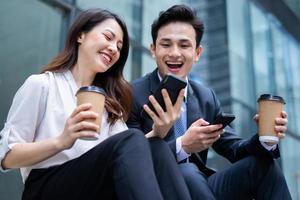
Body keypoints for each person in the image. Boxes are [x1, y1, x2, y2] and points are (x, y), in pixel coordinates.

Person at [0, 8, 192, 200]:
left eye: (119, 46)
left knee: (156, 147)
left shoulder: (108, 105)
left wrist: (159, 131)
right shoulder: (42, 85)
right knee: (133, 138)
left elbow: (131, 150)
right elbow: (7, 158)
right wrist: (62, 141)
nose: (114, 48)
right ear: (80, 35)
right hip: (46, 187)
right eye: (108, 37)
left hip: (90, 187)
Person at [127, 4, 292, 200]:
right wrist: (182, 146)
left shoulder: (206, 97)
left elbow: (235, 150)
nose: (174, 53)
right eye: (166, 44)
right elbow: (130, 162)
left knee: (264, 167)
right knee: (187, 171)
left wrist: (265, 138)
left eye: (184, 45)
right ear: (153, 50)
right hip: (155, 189)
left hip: (200, 188)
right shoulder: (131, 94)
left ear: (197, 53)